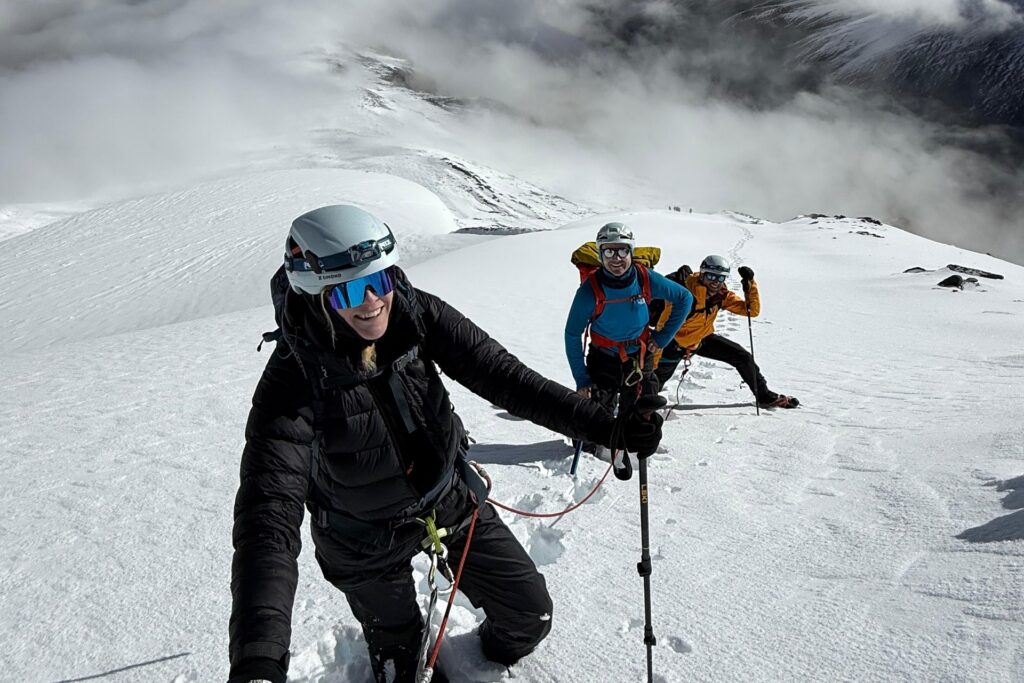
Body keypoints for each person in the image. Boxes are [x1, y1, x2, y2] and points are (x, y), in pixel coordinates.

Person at [227, 205, 663, 683]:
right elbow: (268, 518)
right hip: (362, 540)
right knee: (402, 663)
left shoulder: (414, 313)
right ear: (314, 294)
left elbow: (502, 375)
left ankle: (478, 661)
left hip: (449, 501)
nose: (373, 301)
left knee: (529, 617)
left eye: (381, 279)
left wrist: (607, 428)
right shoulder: (291, 383)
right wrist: (258, 657)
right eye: (350, 290)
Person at [563, 222, 693, 476]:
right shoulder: (590, 290)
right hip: (604, 358)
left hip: (639, 356)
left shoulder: (645, 278)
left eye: (622, 250)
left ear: (631, 251)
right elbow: (571, 334)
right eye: (609, 251)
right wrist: (581, 378)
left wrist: (663, 338)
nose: (616, 258)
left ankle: (625, 447)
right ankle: (592, 448)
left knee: (636, 409)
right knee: (598, 410)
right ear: (600, 253)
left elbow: (684, 298)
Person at [654, 255, 798, 408]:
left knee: (742, 357)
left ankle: (764, 396)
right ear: (702, 274)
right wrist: (654, 357)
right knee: (654, 381)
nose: (715, 281)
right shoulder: (685, 294)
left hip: (701, 338)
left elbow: (751, 311)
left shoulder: (721, 295)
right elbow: (663, 327)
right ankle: (641, 406)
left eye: (721, 277)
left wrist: (750, 285)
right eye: (711, 276)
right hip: (673, 344)